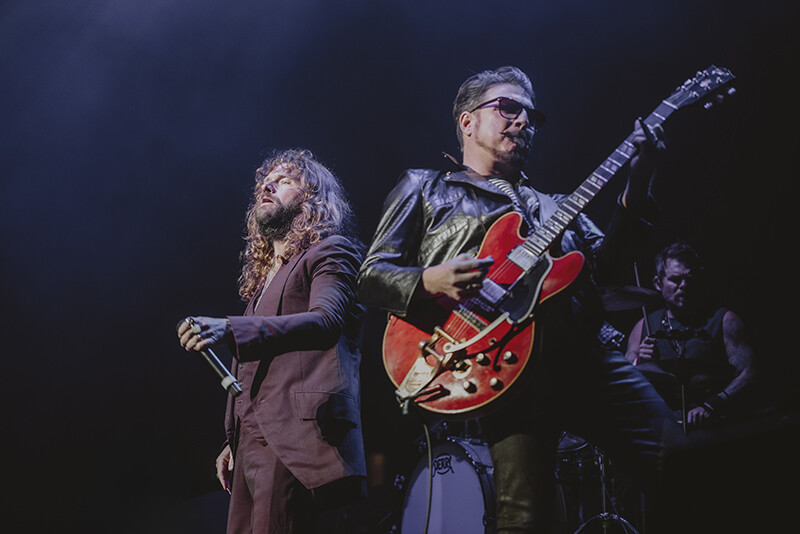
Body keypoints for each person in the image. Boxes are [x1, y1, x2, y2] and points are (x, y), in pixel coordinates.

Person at [356, 66, 684, 533]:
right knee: (525, 517)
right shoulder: (426, 188)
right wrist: (430, 280)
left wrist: (638, 182)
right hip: (503, 364)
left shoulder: (556, 205)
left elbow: (607, 273)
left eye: (530, 115)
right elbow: (369, 277)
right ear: (467, 122)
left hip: (583, 355)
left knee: (680, 458)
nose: (523, 120)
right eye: (508, 108)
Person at [177, 149, 366, 533]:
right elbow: (262, 371)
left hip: (296, 439)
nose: (268, 185)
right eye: (266, 181)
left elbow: (326, 321)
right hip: (252, 444)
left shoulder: (331, 252)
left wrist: (230, 329)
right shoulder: (261, 287)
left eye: (286, 181)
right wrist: (237, 435)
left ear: (312, 198)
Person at [625, 241, 758, 433]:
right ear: (657, 283)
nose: (684, 285)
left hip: (716, 425)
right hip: (665, 431)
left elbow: (749, 373)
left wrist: (713, 404)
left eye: (690, 278)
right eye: (675, 279)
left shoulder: (725, 319)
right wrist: (640, 361)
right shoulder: (643, 326)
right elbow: (623, 382)